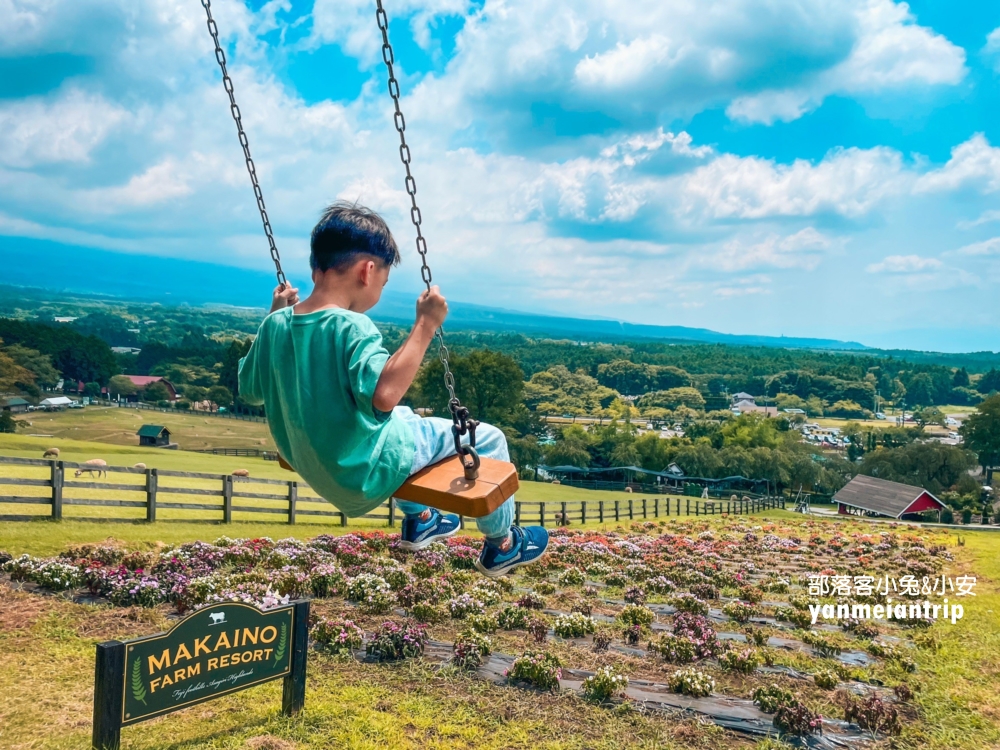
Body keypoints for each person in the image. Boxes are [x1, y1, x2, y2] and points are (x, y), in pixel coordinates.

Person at [238, 201, 548, 576]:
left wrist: (274, 314)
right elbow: (382, 397)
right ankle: (504, 544)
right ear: (368, 271)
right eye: (384, 283)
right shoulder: (351, 326)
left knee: (405, 420)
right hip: (363, 472)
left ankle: (421, 521)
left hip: (318, 467)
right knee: (489, 439)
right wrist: (426, 325)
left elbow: (250, 390)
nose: (379, 291)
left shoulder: (276, 325)